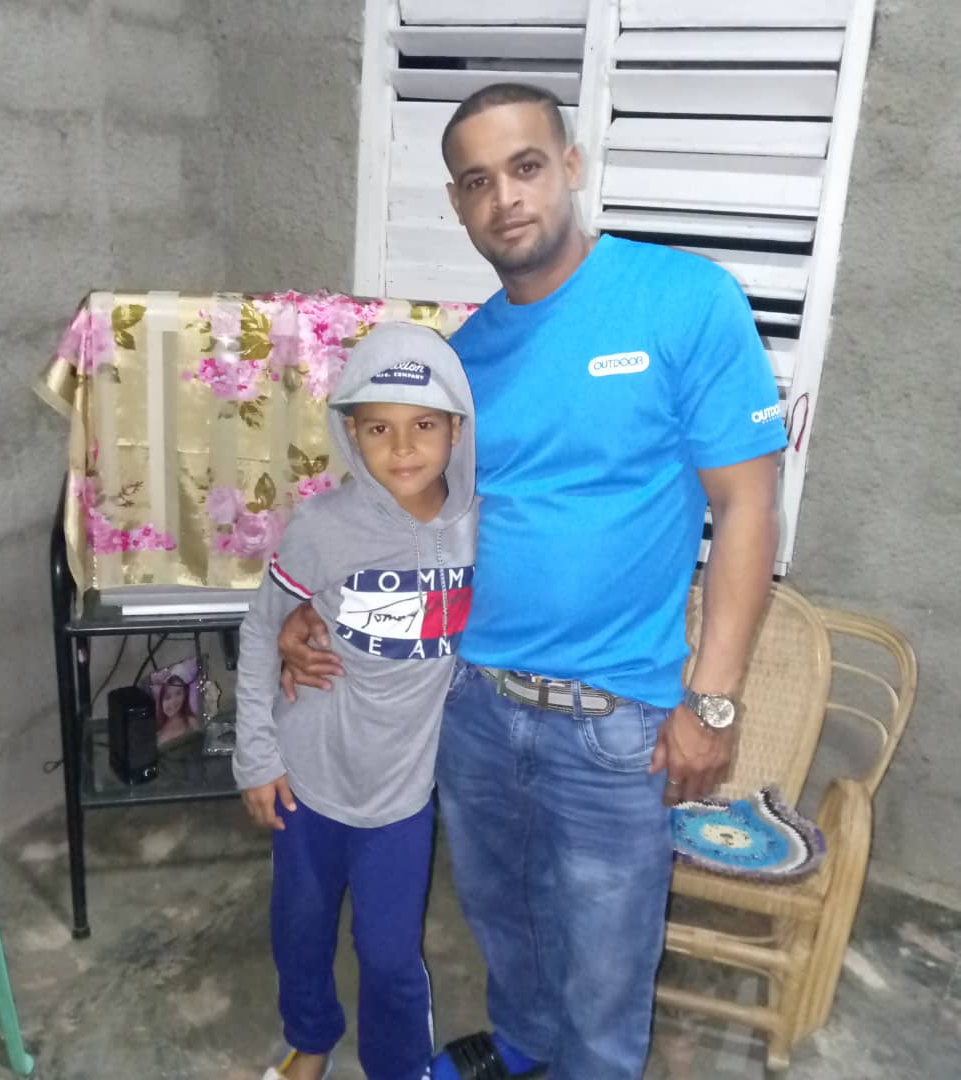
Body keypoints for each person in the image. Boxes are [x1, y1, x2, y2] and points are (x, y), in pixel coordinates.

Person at [278, 82, 789, 1080]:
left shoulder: (683, 300)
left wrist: (713, 702)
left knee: (605, 969)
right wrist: (321, 613)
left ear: (571, 165)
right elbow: (426, 530)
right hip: (471, 705)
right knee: (501, 921)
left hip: (614, 724)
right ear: (458, 204)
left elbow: (748, 510)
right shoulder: (464, 360)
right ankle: (523, 1048)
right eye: (477, 182)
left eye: (524, 167)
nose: (504, 197)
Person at [233, 321, 478, 1080]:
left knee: (390, 952)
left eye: (424, 426)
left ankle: (397, 1067)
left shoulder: (484, 526)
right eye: (379, 428)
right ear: (350, 433)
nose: (402, 449)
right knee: (300, 929)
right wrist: (255, 757)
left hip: (401, 794)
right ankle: (310, 1044)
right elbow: (261, 629)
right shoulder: (322, 526)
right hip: (309, 778)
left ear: (457, 429)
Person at [154, 670, 199, 746]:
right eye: (168, 697)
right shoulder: (156, 731)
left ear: (185, 695)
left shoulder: (191, 722)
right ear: (161, 702)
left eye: (178, 693)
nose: (173, 701)